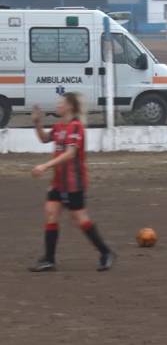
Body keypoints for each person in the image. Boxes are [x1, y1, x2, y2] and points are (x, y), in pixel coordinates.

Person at [29, 93, 115, 272]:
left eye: (61, 103)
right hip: (58, 182)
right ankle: (49, 259)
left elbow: (70, 154)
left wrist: (45, 165)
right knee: (51, 214)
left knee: (80, 219)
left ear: (70, 107)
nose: (58, 106)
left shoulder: (76, 127)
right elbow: (44, 138)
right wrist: (37, 122)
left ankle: (106, 252)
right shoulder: (59, 126)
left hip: (74, 183)